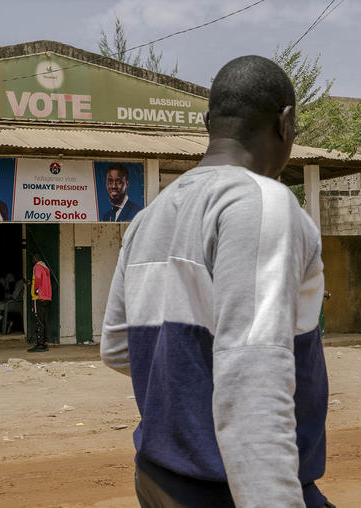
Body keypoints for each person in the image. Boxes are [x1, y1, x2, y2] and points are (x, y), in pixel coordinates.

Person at [100, 55, 332, 507]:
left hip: (156, 476)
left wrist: (189, 380)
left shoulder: (149, 217)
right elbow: (253, 375)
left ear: (208, 122)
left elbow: (116, 347)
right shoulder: (261, 202)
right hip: (225, 488)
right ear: (286, 124)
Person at [28, 253, 51, 352]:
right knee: (43, 320)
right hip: (46, 297)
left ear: (35, 259)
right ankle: (45, 343)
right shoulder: (44, 267)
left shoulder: (37, 267)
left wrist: (36, 290)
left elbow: (37, 278)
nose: (31, 261)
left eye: (32, 259)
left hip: (38, 297)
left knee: (38, 321)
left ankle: (40, 344)